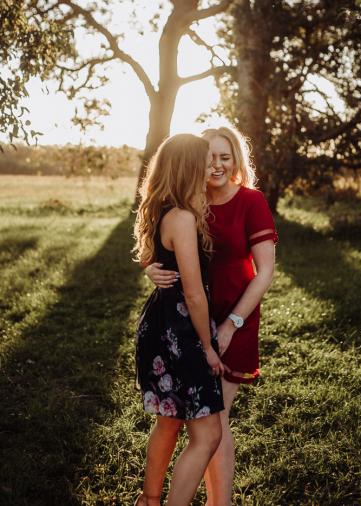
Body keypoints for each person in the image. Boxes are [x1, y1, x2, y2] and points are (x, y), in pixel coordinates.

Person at [146, 126, 277, 506]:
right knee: (192, 423)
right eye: (210, 158)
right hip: (189, 322)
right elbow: (163, 250)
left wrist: (232, 325)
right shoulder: (189, 202)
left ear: (237, 160)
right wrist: (150, 270)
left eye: (225, 156)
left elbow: (265, 271)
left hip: (236, 319)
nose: (216, 165)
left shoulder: (251, 202)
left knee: (215, 420)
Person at [133, 133, 226, 506]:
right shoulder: (183, 218)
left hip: (158, 326)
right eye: (206, 161)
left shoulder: (163, 210)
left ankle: (149, 500)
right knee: (207, 436)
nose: (213, 167)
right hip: (180, 333)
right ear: (190, 167)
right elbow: (193, 293)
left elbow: (154, 262)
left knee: (168, 421)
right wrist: (207, 346)